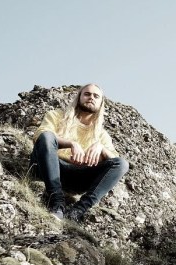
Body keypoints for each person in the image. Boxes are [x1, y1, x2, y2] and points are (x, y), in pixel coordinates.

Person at [30, 83, 129, 222]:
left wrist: (101, 148)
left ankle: (78, 210)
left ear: (101, 103)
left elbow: (116, 160)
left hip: (77, 177)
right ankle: (57, 202)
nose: (91, 97)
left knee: (122, 164)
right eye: (87, 94)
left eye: (96, 96)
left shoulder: (102, 134)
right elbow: (40, 136)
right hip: (48, 167)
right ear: (79, 97)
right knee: (47, 136)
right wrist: (71, 144)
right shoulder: (57, 115)